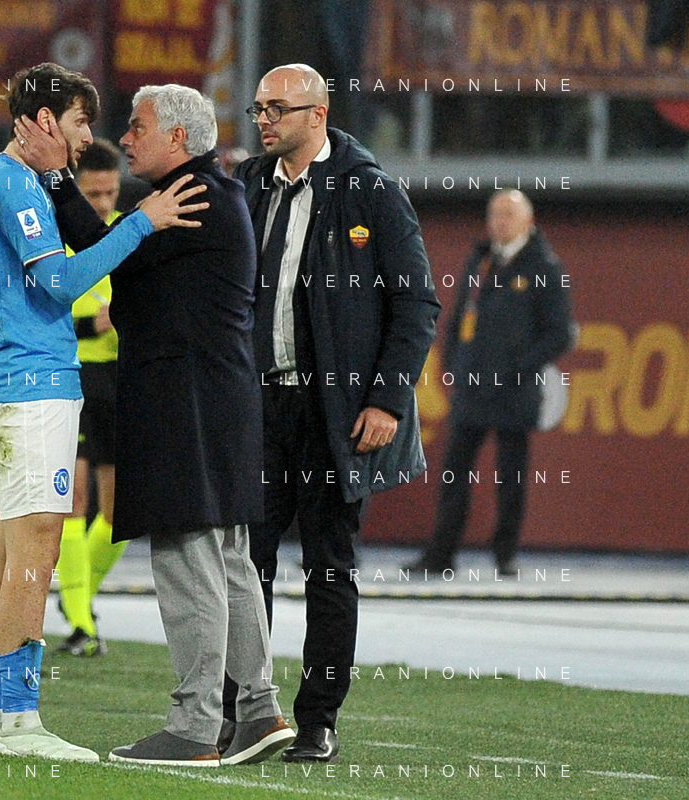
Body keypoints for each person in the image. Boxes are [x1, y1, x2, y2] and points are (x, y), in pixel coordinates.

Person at [15, 83, 294, 767]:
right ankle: (258, 710)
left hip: (184, 404)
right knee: (228, 558)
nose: (125, 138)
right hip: (219, 402)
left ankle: (195, 725)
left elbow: (98, 248)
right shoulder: (210, 192)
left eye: (138, 127)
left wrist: (56, 174)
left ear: (177, 137)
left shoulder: (188, 198)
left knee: (187, 557)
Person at [0, 62, 206, 763]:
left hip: (8, 381)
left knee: (6, 557)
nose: (83, 138)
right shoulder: (15, 183)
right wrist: (143, 222)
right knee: (34, 552)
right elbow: (61, 279)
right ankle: (19, 722)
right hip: (31, 384)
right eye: (78, 123)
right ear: (45, 120)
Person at [222, 63, 439, 763]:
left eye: (277, 109)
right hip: (259, 405)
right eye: (258, 109)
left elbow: (415, 304)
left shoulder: (370, 190)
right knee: (243, 564)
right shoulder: (249, 186)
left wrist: (385, 399)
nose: (263, 121)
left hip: (331, 409)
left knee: (328, 566)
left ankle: (317, 719)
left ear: (317, 114)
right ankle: (241, 711)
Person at [407, 189, 574, 576]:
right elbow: (459, 316)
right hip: (472, 385)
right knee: (454, 472)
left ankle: (505, 554)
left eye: (508, 215)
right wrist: (454, 361)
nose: (499, 222)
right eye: (495, 214)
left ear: (528, 221)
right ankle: (441, 553)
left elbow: (560, 333)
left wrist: (520, 367)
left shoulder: (545, 266)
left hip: (514, 390)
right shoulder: (481, 260)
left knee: (510, 476)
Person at [55, 141, 127, 657]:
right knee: (73, 500)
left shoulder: (131, 232)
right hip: (72, 378)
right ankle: (83, 623)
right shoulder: (56, 234)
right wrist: (90, 323)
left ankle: (77, 597)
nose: (102, 204)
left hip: (121, 381)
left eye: (110, 193)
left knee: (120, 514)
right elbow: (42, 306)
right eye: (92, 194)